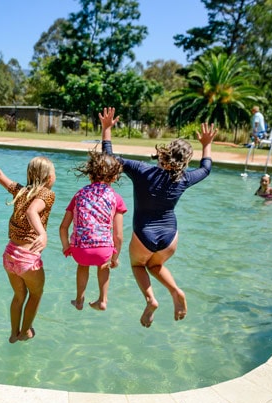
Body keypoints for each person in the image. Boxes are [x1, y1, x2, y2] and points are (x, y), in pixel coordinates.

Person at [99, 107, 217, 328]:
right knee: (154, 266)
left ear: (164, 152)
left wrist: (106, 129)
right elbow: (206, 168)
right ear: (185, 161)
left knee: (137, 265)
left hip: (145, 234)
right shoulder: (185, 179)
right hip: (170, 237)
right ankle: (175, 291)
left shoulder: (142, 170)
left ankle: (151, 300)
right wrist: (207, 144)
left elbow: (109, 158)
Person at [0, 140, 56, 343]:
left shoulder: (20, 191)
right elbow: (32, 211)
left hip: (10, 255)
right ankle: (25, 331)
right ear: (47, 177)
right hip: (27, 260)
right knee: (36, 295)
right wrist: (42, 234)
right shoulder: (47, 193)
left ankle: (13, 333)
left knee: (19, 296)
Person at [59, 150, 127, 312]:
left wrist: (66, 246)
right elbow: (118, 236)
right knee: (104, 266)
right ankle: (102, 300)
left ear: (90, 175)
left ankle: (79, 300)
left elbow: (63, 227)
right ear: (114, 177)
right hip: (103, 250)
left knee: (83, 265)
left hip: (79, 250)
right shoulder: (115, 198)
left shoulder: (79, 194)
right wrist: (115, 257)